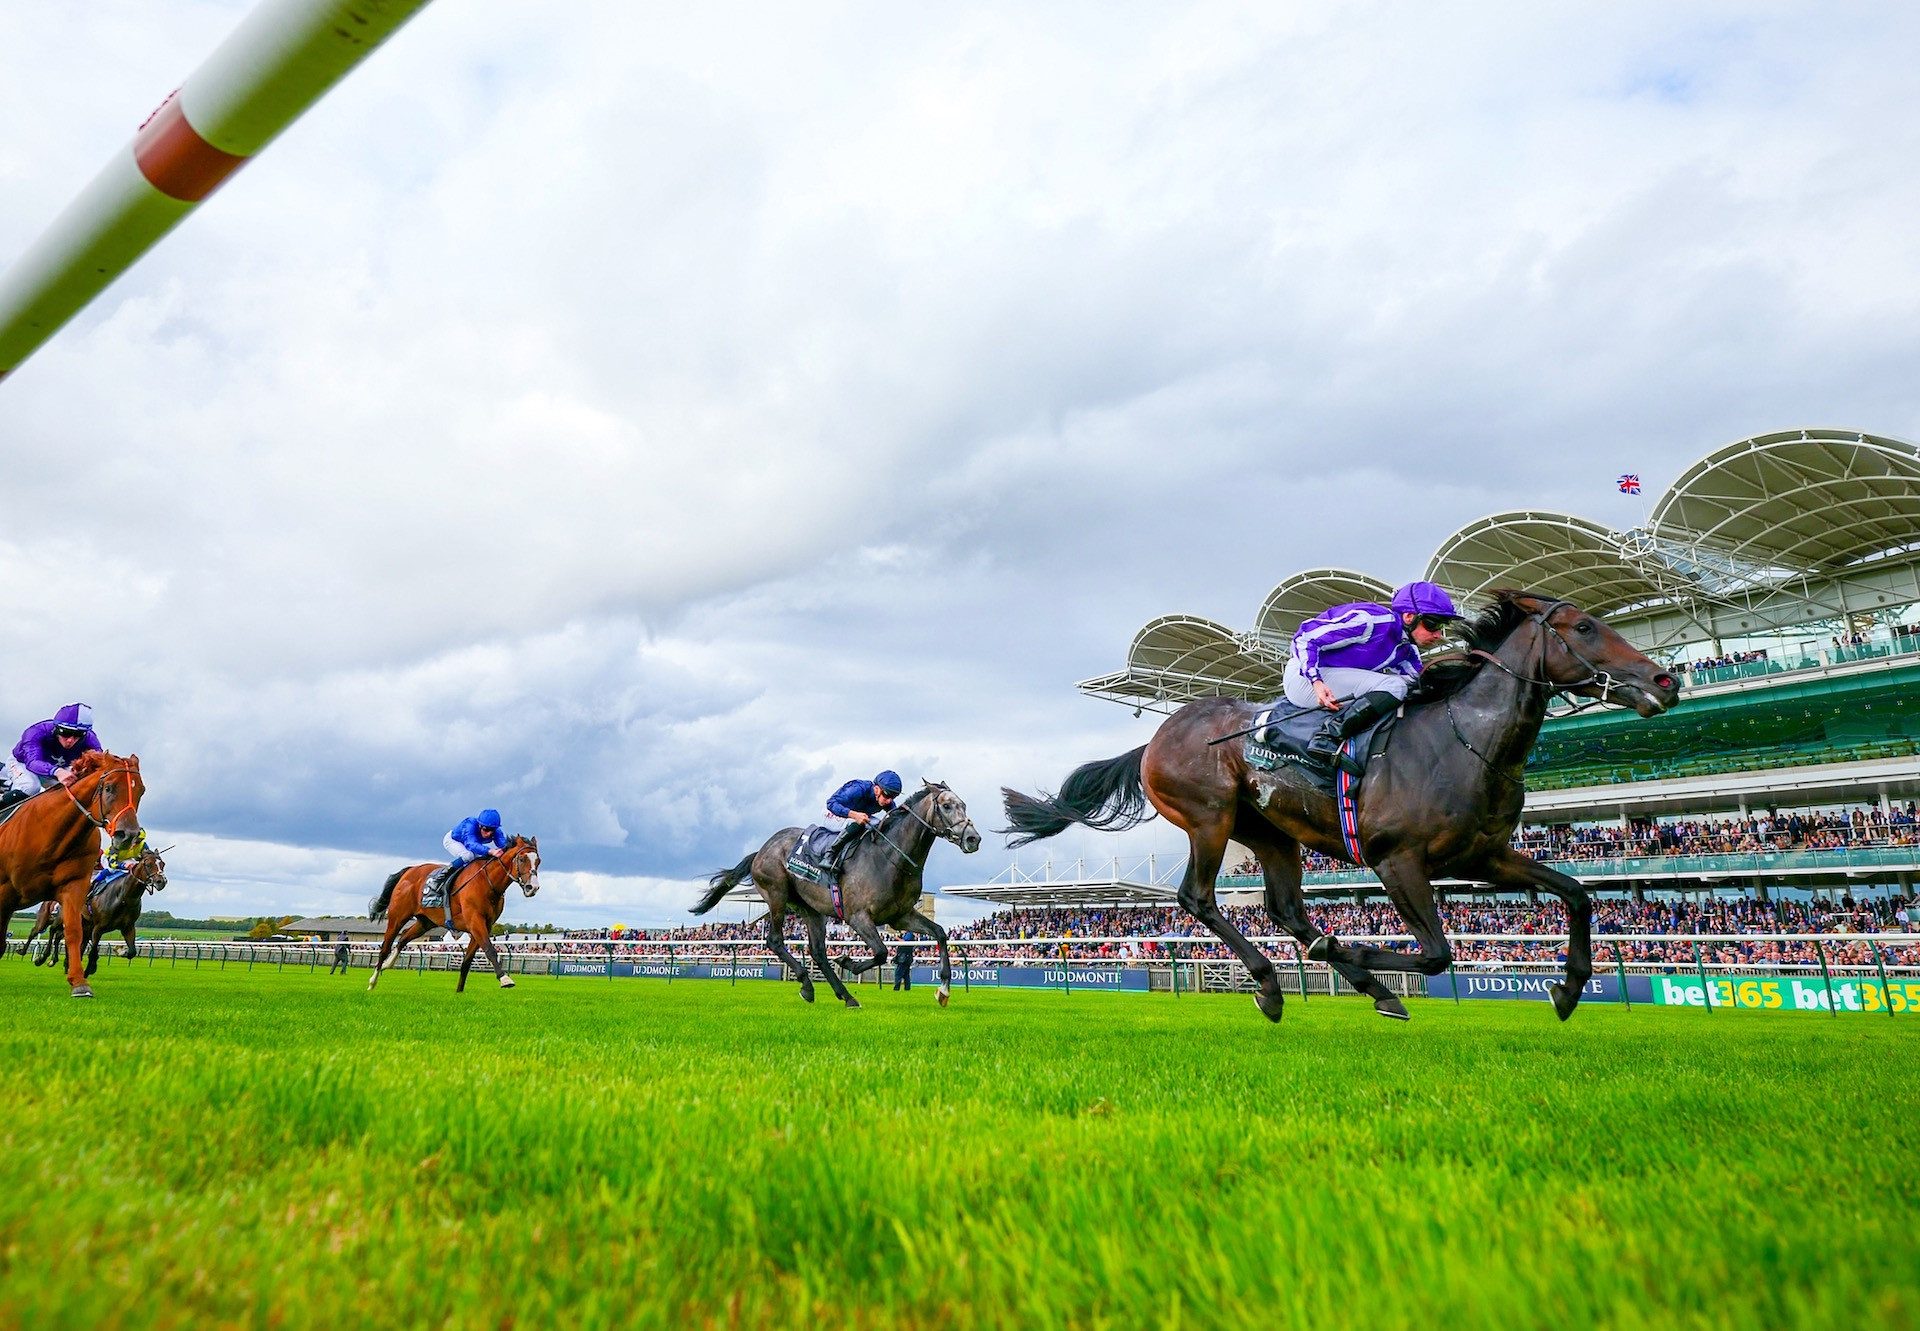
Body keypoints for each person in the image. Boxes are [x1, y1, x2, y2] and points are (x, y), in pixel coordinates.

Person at [1285, 581, 1460, 774]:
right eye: (1432, 624)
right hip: (1303, 679)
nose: (1437, 634)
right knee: (1394, 686)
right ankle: (1327, 738)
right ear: (1409, 616)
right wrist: (1316, 681)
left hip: (1331, 680)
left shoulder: (1407, 650)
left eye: (1442, 626)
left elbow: (1420, 682)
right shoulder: (1371, 621)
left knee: (1410, 685)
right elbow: (1305, 637)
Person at [421, 809, 509, 928]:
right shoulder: (470, 825)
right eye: (486, 829)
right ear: (479, 825)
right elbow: (470, 845)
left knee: (483, 860)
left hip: (472, 844)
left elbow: (504, 846)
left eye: (492, 830)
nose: (489, 834)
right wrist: (491, 850)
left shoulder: (496, 831)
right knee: (468, 855)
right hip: (453, 841)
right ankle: (441, 876)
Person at [3, 703, 103, 805]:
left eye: (78, 735)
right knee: (31, 787)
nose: (70, 740)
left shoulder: (90, 740)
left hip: (55, 769)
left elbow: (100, 764)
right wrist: (57, 771)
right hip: (22, 763)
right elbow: (32, 762)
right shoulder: (36, 732)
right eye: (66, 732)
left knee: (72, 792)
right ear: (56, 728)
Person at [821, 771, 903, 871]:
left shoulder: (886, 800)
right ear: (876, 789)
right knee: (858, 824)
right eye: (887, 795)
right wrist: (854, 815)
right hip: (832, 814)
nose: (889, 800)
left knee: (878, 825)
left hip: (855, 817)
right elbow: (830, 803)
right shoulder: (858, 789)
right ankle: (829, 855)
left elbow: (895, 816)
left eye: (893, 797)